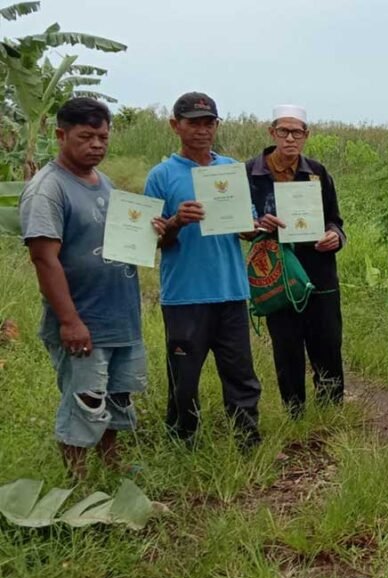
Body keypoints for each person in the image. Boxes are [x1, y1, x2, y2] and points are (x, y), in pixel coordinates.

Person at [19, 98, 164, 478]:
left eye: (102, 136)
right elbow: (44, 259)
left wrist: (153, 231)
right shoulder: (48, 189)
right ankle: (77, 482)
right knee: (84, 400)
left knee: (116, 397)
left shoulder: (105, 183)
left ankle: (112, 464)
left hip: (120, 316)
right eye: (86, 136)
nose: (97, 144)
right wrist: (69, 321)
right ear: (61, 135)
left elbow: (121, 238)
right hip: (83, 319)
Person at [146, 92, 264, 449]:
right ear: (175, 125)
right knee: (184, 377)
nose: (201, 130)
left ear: (216, 125)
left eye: (208, 122)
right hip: (185, 296)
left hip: (231, 292)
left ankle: (247, 442)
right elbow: (154, 242)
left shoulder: (230, 169)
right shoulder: (162, 176)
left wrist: (256, 226)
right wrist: (176, 221)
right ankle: (183, 442)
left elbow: (245, 229)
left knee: (241, 375)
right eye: (192, 122)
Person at [246, 104, 346, 418]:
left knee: (327, 344)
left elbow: (335, 221)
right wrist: (258, 226)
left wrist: (334, 237)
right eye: (283, 131)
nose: (290, 138)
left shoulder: (316, 172)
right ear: (271, 132)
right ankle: (295, 414)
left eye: (297, 132)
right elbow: (238, 225)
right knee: (286, 347)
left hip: (318, 272)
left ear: (306, 135)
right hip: (276, 273)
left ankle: (330, 412)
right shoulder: (250, 173)